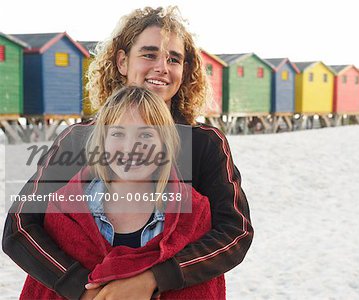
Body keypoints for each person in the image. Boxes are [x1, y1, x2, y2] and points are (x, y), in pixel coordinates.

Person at [3, 6, 253, 300]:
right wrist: (81, 289)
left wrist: (153, 280)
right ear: (122, 61)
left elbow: (234, 231)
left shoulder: (204, 143)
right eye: (149, 54)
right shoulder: (78, 139)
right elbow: (20, 225)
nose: (162, 66)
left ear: (184, 71)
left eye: (174, 59)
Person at [20, 85, 225, 300]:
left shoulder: (194, 213)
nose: (131, 147)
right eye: (117, 133)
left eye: (146, 135)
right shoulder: (64, 209)